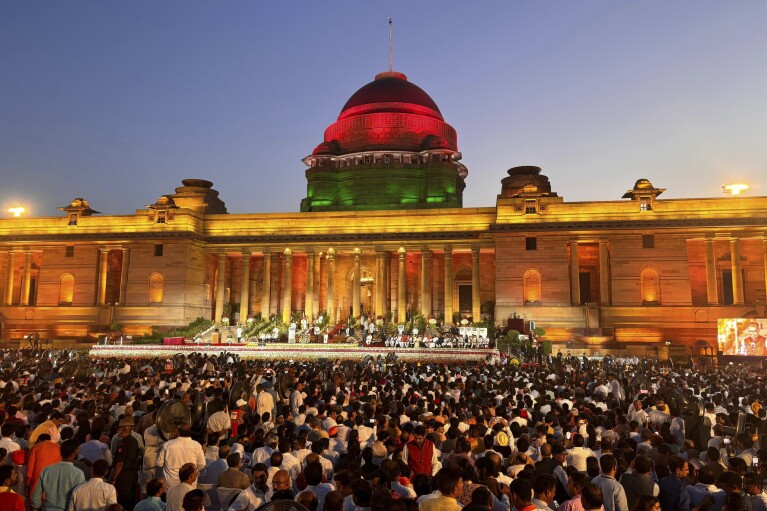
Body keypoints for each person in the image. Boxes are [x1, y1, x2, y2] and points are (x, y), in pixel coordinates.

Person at [31, 439, 86, 511]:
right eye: (77, 450)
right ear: (72, 454)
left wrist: (37, 506)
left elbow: (36, 496)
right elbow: (80, 500)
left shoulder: (47, 470)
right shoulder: (78, 473)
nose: (79, 452)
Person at [113, 416, 142, 510]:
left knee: (122, 502)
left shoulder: (123, 443)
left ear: (125, 429)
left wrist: (114, 478)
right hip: (132, 476)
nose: (118, 431)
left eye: (119, 429)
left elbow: (120, 463)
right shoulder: (134, 441)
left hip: (123, 477)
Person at [26, 434, 62, 499]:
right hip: (54, 479)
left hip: (38, 478)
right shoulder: (58, 447)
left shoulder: (35, 447)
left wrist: (28, 482)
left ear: (39, 440)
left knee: (36, 502)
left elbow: (30, 467)